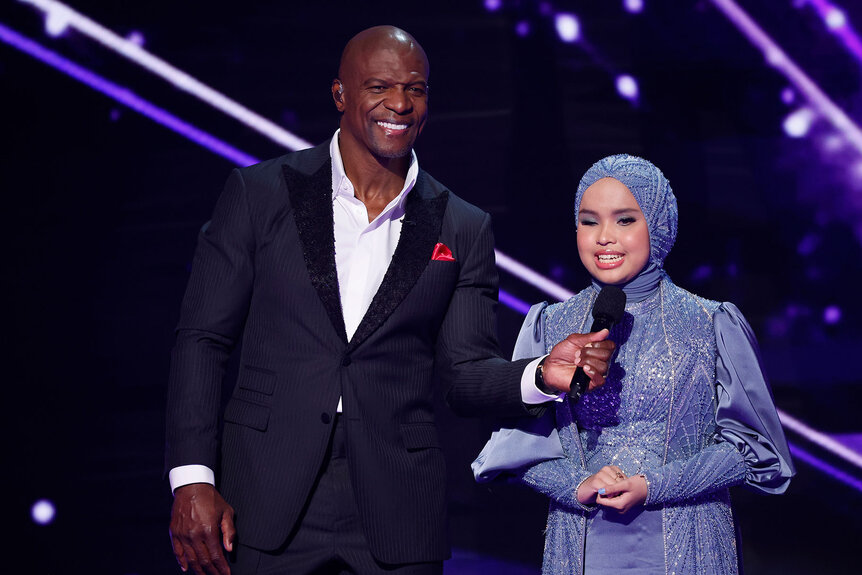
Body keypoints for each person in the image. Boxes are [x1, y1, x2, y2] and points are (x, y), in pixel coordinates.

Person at [165, 25, 616, 575]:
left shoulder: (462, 224)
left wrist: (541, 374)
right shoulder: (259, 195)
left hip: (396, 504)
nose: (399, 103)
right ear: (340, 95)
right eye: (379, 86)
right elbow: (202, 342)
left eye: (416, 89)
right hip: (264, 491)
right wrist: (192, 479)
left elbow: (465, 372)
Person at [473, 154, 794, 574]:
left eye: (624, 220)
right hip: (583, 542)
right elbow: (515, 452)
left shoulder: (710, 322)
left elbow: (753, 450)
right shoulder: (550, 325)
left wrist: (654, 486)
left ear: (657, 226)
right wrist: (578, 485)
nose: (604, 237)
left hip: (688, 541)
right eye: (589, 221)